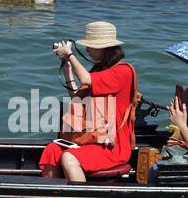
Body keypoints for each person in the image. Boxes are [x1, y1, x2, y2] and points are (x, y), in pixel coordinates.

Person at [39, 21, 136, 182]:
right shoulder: (98, 71)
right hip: (92, 137)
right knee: (52, 150)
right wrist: (67, 70)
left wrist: (70, 55)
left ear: (102, 48)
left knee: (69, 158)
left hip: (112, 145)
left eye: (90, 47)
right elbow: (78, 98)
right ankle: (53, 196)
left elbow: (85, 78)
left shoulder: (123, 71)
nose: (87, 50)